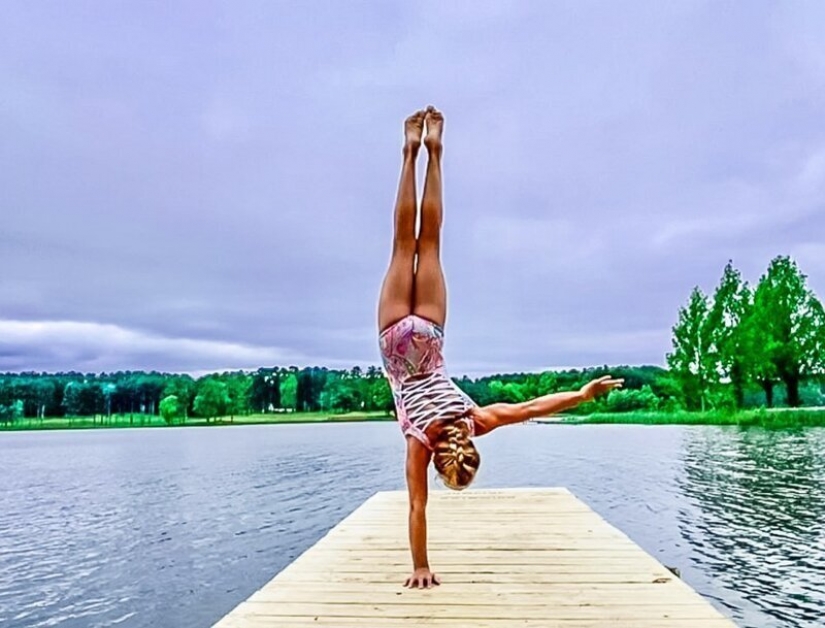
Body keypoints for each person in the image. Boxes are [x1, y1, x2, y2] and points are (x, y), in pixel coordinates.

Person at [377, 106, 624, 589]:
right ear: (444, 463)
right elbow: (416, 506)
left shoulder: (477, 420)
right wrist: (420, 566)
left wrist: (584, 395)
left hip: (427, 331)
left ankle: (430, 152)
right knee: (406, 244)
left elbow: (533, 406)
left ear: (467, 448)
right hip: (395, 341)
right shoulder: (417, 442)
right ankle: (411, 150)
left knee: (426, 242)